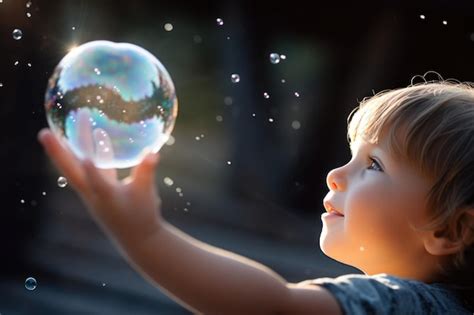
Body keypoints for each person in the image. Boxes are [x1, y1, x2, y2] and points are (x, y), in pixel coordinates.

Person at [37, 80, 474, 314]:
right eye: (351, 156)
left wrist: (144, 235)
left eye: (373, 165)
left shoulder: (407, 306)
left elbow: (271, 307)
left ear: (450, 229)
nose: (336, 175)